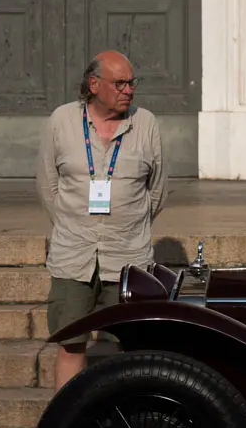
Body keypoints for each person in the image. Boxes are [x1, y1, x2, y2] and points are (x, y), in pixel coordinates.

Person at [36, 50, 167, 389]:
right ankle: (68, 426)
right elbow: (48, 186)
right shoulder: (61, 121)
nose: (129, 90)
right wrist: (74, 223)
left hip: (127, 257)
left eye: (131, 82)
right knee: (71, 342)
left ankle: (131, 425)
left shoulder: (145, 123)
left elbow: (158, 191)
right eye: (120, 83)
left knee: (132, 346)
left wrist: (126, 223)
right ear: (94, 84)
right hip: (73, 255)